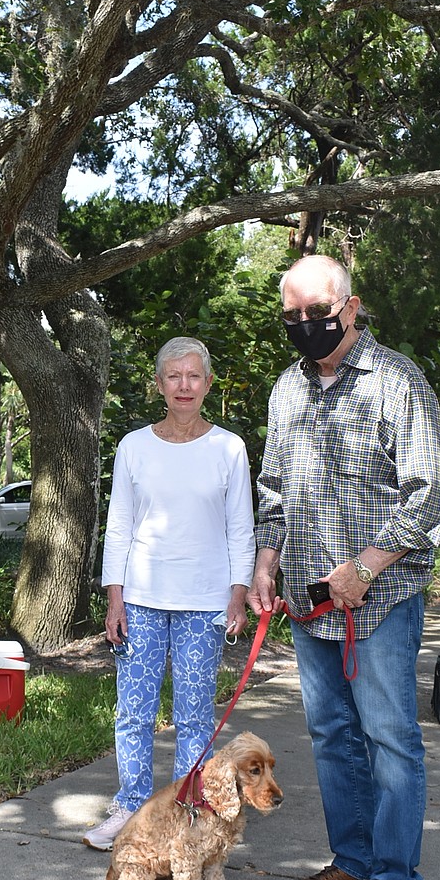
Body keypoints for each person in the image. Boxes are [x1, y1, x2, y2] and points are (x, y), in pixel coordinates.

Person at [248, 254, 440, 880]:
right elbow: (274, 489)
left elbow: (433, 493)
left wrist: (365, 567)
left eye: (319, 312)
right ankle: (354, 862)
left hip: (382, 598)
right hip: (310, 604)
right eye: (293, 316)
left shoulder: (398, 380)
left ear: (352, 307)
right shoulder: (287, 388)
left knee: (389, 739)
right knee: (332, 737)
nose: (306, 324)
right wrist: (266, 564)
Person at [83, 336, 255, 850]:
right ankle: (131, 807)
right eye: (174, 376)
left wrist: (238, 595)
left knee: (195, 716)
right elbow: (118, 526)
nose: (184, 385)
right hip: (140, 599)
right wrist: (115, 598)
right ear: (159, 384)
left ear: (207, 384)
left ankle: (187, 815)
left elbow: (240, 528)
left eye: (193, 375)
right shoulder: (134, 447)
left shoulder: (229, 448)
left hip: (204, 603)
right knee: (133, 711)